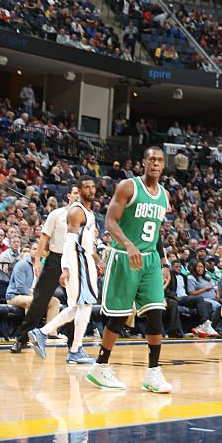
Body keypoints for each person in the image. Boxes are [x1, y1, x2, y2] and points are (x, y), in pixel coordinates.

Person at [86, 147, 171, 394]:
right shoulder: (128, 187)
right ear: (143, 162)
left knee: (156, 314)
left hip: (151, 260)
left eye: (160, 160)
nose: (156, 163)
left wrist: (164, 263)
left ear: (163, 166)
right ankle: (100, 366)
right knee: (119, 317)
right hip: (124, 257)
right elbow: (110, 222)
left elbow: (156, 234)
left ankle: (153, 373)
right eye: (152, 159)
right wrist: (129, 244)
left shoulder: (164, 195)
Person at [28, 177, 99, 364]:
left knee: (78, 307)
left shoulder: (89, 212)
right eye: (86, 187)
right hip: (77, 263)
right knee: (84, 305)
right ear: (79, 191)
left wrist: (98, 260)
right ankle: (74, 349)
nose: (91, 190)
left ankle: (45, 334)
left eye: (93, 187)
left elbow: (87, 243)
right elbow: (69, 242)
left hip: (85, 261)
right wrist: (66, 269)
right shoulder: (76, 211)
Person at [10, 186, 81, 354]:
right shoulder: (56, 214)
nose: (78, 196)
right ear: (69, 195)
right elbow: (44, 237)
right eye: (75, 192)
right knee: (39, 301)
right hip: (55, 258)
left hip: (74, 260)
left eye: (81, 193)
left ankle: (74, 344)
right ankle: (21, 339)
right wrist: (37, 260)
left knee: (75, 302)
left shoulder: (86, 217)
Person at [6, 242, 60, 325]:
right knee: (32, 301)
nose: (36, 251)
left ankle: (50, 332)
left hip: (34, 295)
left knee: (55, 301)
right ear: (30, 251)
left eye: (39, 250)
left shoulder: (42, 266)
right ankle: (29, 330)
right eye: (34, 249)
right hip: (15, 296)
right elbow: (20, 287)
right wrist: (35, 296)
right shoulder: (21, 264)